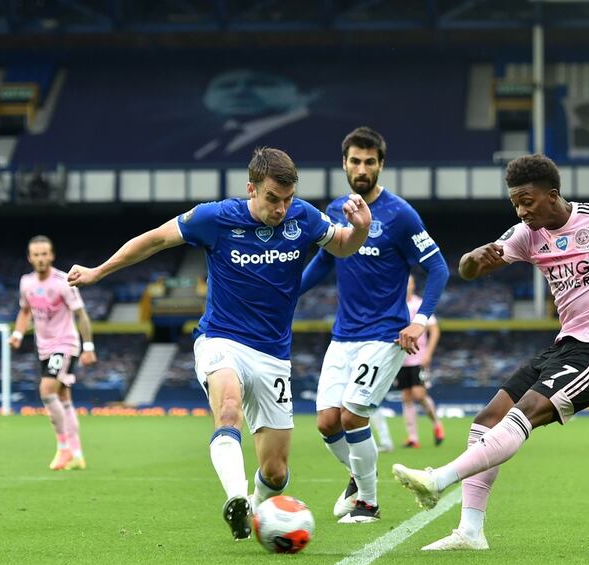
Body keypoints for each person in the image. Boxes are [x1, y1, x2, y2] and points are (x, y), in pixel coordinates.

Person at [392, 154, 589, 550]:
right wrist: (474, 259)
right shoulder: (525, 235)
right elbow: (469, 271)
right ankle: (470, 532)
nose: (521, 211)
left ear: (552, 195)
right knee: (487, 420)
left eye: (527, 201)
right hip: (564, 346)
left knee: (522, 413)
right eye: (515, 204)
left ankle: (438, 479)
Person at [66, 147, 372, 541]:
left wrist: (360, 228)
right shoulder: (214, 217)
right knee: (227, 407)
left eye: (287, 199)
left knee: (276, 471)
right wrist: (98, 271)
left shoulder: (306, 218)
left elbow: (343, 245)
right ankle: (236, 498)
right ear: (251, 189)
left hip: (274, 354)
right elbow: (155, 240)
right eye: (272, 199)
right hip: (220, 338)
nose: (281, 209)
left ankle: (256, 507)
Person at [298, 127, 449, 524]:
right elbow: (325, 262)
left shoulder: (400, 215)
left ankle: (368, 501)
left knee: (352, 416)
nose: (361, 168)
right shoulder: (335, 211)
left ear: (381, 165)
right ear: (344, 164)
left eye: (369, 162)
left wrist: (420, 322)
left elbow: (437, 268)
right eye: (355, 161)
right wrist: (287, 292)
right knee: (327, 422)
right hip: (344, 334)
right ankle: (358, 476)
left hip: (386, 333)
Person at [10, 235, 97, 472]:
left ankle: (64, 447)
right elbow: (25, 311)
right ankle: (78, 455)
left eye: (44, 254)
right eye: (36, 255)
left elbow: (81, 314)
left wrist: (88, 347)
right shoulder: (26, 282)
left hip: (65, 344)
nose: (40, 258)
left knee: (46, 390)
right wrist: (18, 334)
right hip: (43, 347)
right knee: (64, 400)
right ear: (30, 258)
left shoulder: (62, 281)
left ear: (52, 256)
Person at [395, 274, 444, 449]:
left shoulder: (419, 304)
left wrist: (428, 354)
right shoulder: (395, 304)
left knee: (419, 395)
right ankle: (413, 438)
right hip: (400, 358)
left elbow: (434, 330)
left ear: (413, 285)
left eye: (409, 283)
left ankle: (436, 424)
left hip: (417, 356)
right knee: (406, 396)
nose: (406, 286)